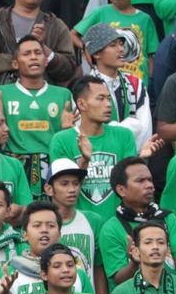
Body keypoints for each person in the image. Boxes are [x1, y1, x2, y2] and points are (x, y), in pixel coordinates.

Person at [0, 38, 76, 202]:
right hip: (14, 164)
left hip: (51, 165)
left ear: (45, 62)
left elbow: (73, 139)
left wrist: (67, 130)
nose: (33, 57)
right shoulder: (1, 93)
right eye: (27, 53)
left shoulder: (63, 94)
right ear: (15, 64)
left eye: (38, 53)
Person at [48, 76, 140, 222]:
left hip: (118, 224)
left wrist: (143, 158)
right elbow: (63, 189)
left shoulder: (124, 136)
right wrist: (85, 161)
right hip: (78, 226)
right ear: (82, 104)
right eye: (100, 98)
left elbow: (131, 183)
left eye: (109, 99)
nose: (108, 104)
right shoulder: (61, 140)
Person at [100, 161, 176, 289]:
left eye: (150, 180)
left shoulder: (168, 218)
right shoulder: (111, 229)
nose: (149, 185)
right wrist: (134, 263)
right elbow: (119, 280)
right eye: (141, 181)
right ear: (121, 190)